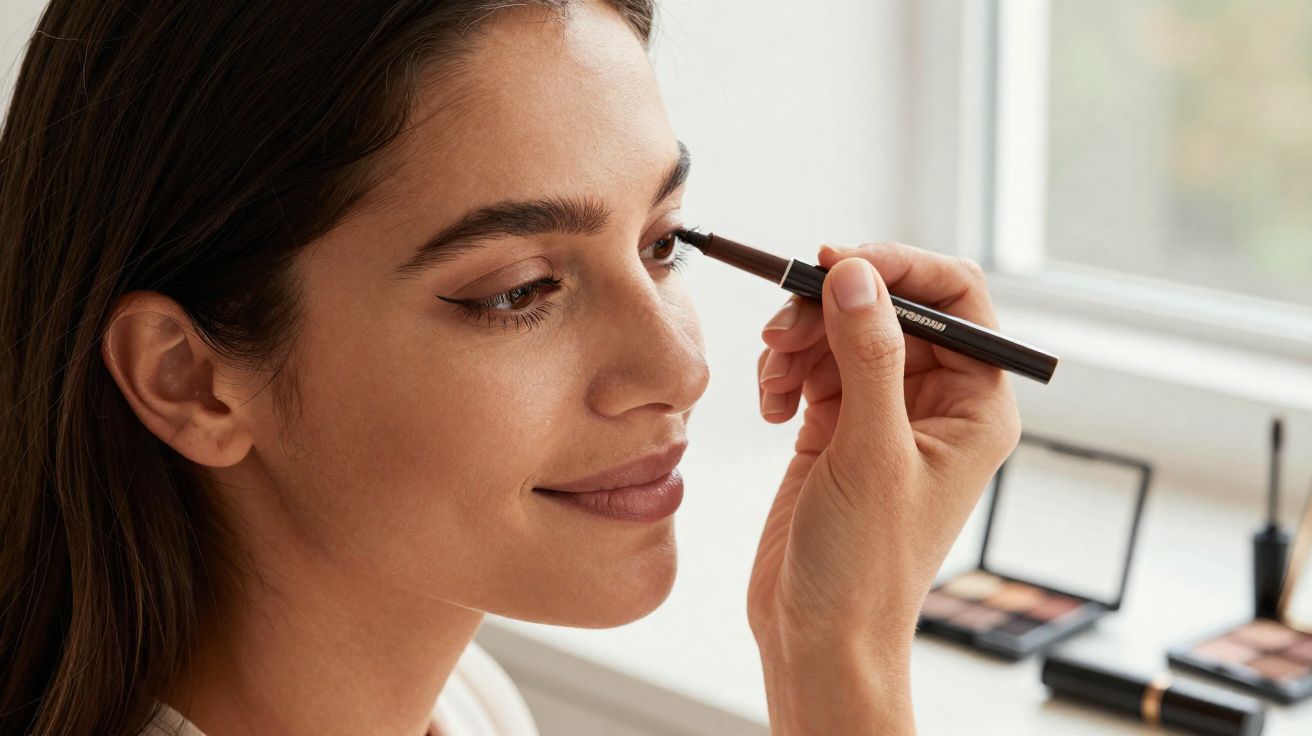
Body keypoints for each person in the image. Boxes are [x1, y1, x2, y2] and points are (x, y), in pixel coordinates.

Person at [0, 1, 1022, 734]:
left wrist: (828, 641)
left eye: (661, 241)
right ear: (189, 380)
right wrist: (846, 666)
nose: (679, 368)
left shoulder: (464, 705)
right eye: (519, 290)